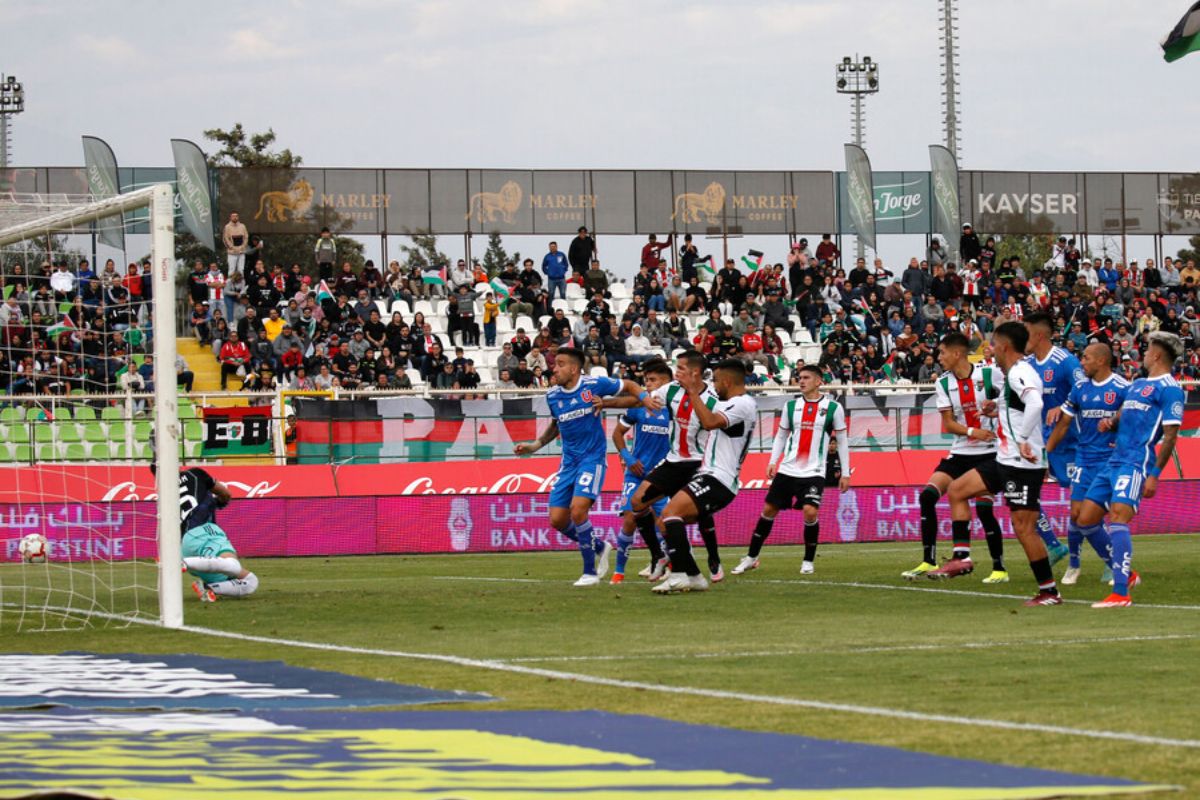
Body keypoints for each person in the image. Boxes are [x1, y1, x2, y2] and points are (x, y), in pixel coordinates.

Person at [945, 322, 1061, 606]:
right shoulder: (1013, 374)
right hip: (1004, 459)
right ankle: (962, 558)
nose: (990, 350)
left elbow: (1034, 404)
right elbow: (1019, 405)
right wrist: (995, 407)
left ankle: (1049, 591)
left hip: (1022, 462)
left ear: (1005, 346)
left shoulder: (1020, 371)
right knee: (957, 490)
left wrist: (1022, 439)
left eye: (994, 345)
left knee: (1023, 527)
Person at [513, 347, 648, 586]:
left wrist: (633, 399)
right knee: (557, 519)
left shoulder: (593, 384)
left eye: (560, 364)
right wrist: (535, 446)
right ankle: (600, 546)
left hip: (592, 459)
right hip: (568, 464)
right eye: (555, 364)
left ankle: (589, 573)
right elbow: (556, 425)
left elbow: (630, 387)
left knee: (578, 510)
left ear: (574, 368)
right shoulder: (553, 396)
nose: (554, 368)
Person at [1073, 332, 1184, 607]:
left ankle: (1121, 593)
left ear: (1157, 355)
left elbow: (1170, 435)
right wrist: (1111, 421)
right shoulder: (1139, 383)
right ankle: (1127, 573)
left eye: (1147, 351)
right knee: (1085, 519)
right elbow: (1125, 410)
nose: (1143, 355)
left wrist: (1154, 475)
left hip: (1136, 462)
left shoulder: (1170, 389)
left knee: (1118, 518)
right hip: (1113, 460)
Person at [612, 351, 724, 583]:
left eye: (681, 368)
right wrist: (605, 403)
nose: (676, 371)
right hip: (673, 461)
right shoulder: (670, 390)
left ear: (694, 372)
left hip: (698, 463)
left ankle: (713, 558)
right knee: (637, 503)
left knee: (697, 515)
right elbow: (639, 401)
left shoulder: (714, 399)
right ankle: (659, 555)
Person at [653, 359, 757, 594]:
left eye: (717, 381)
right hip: (710, 475)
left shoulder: (742, 404)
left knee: (669, 514)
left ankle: (681, 574)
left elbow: (709, 422)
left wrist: (692, 390)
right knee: (665, 522)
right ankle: (694, 576)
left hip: (720, 478)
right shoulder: (732, 403)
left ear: (728, 381)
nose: (714, 385)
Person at [733, 364, 848, 577]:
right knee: (768, 510)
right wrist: (772, 461)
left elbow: (841, 441)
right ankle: (751, 557)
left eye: (806, 377)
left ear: (818, 381)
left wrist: (846, 472)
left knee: (810, 511)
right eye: (799, 377)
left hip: (814, 471)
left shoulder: (833, 408)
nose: (801, 381)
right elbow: (781, 436)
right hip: (787, 469)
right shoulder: (790, 406)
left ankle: (808, 560)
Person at [910, 334, 1008, 583]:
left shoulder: (990, 373)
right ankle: (929, 560)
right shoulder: (943, 383)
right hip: (961, 451)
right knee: (927, 496)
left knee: (984, 509)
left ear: (957, 353)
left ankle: (999, 568)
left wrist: (994, 405)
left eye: (942, 353)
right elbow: (949, 424)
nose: (938, 358)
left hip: (991, 452)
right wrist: (974, 432)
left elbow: (1011, 401)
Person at [1046, 343, 1127, 585]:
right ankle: (1074, 564)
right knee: (1075, 513)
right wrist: (1046, 452)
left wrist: (1114, 421)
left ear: (1101, 361)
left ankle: (1114, 565)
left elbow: (1133, 418)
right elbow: (1063, 423)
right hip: (1083, 458)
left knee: (1100, 515)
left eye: (1087, 358)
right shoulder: (1079, 389)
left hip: (1110, 460)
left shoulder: (1122, 387)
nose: (1082, 363)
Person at [1024, 312, 1082, 563]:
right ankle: (1053, 545)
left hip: (1067, 440)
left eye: (1025, 332)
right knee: (1023, 495)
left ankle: (1109, 557)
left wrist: (1065, 405)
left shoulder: (1064, 360)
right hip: (1038, 440)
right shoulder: (1028, 364)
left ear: (1038, 335)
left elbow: (1084, 387)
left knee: (1083, 502)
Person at [609, 358, 673, 584]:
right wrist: (627, 457)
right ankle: (619, 571)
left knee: (665, 522)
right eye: (646, 380)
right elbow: (617, 435)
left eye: (654, 380)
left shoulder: (674, 411)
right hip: (635, 472)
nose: (648, 384)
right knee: (630, 518)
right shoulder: (638, 408)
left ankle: (665, 561)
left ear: (667, 383)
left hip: (662, 474)